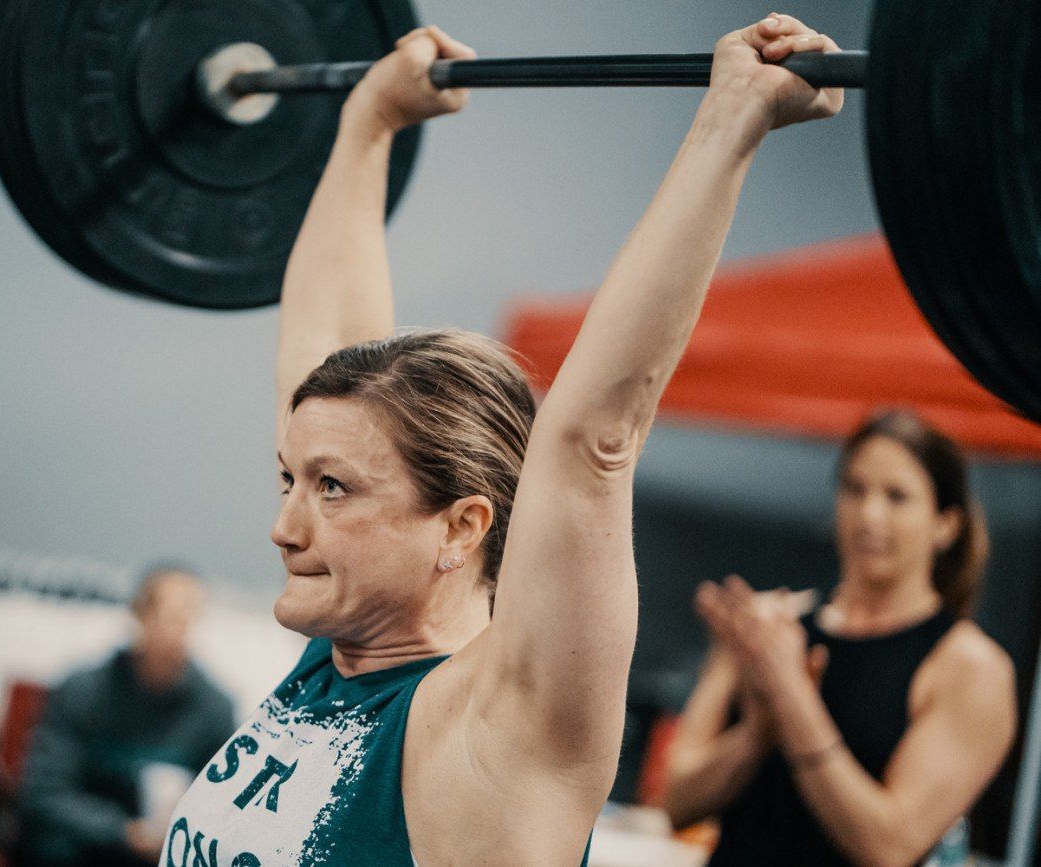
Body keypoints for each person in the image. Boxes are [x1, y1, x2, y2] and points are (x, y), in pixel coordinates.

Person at [160, 13, 843, 866]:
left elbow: (591, 441)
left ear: (460, 526)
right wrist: (366, 126)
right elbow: (319, 353)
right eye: (287, 481)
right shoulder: (339, 660)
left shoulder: (499, 731)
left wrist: (732, 121)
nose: (285, 526)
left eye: (331, 489)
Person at [663, 410, 1017, 866]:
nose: (869, 514)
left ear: (945, 525)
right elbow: (676, 802)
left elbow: (888, 847)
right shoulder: (771, 630)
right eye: (855, 489)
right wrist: (756, 734)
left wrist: (791, 697)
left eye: (896, 496)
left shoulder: (970, 669)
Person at [19, 565, 237, 867]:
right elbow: (43, 794)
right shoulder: (82, 691)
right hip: (78, 851)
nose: (180, 631)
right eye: (170, 617)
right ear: (141, 615)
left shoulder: (214, 709)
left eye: (191, 618)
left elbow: (221, 810)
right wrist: (121, 832)